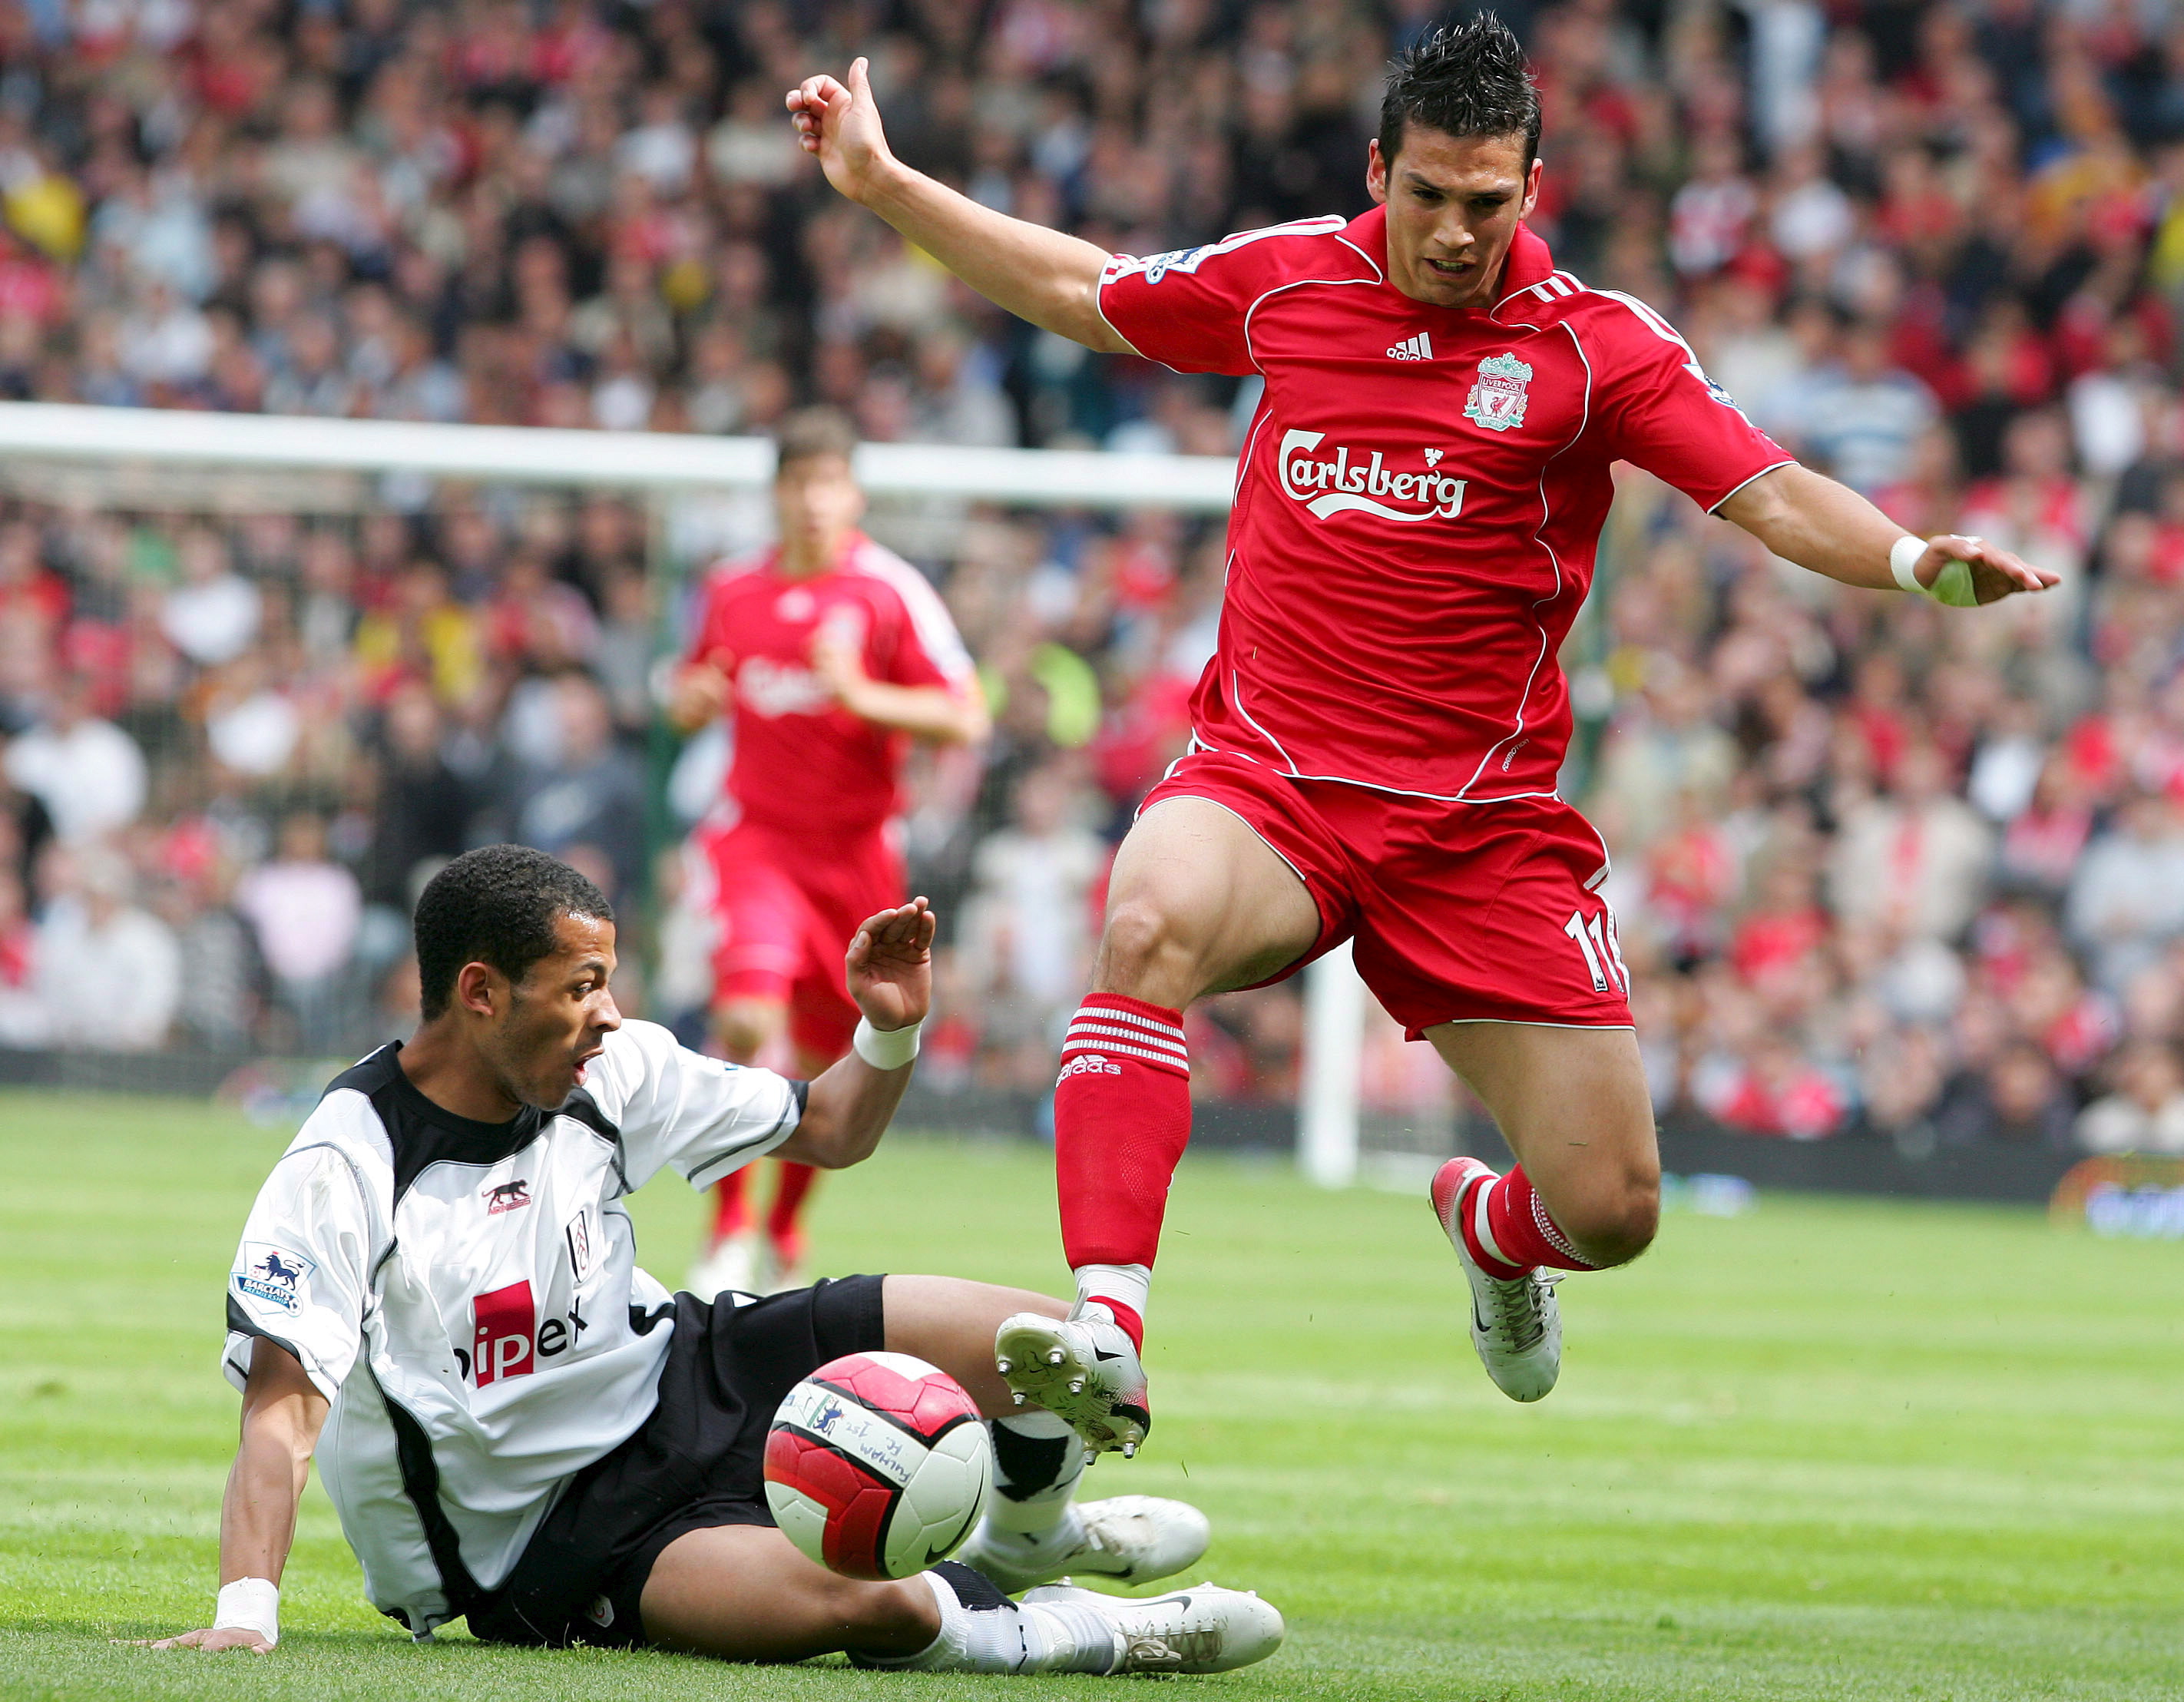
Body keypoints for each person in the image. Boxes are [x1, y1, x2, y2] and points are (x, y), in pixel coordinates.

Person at [785, 15, 2059, 1457]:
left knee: (1611, 1207)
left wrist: (1906, 561)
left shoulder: (1596, 346)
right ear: (1377, 169)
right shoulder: (1287, 282)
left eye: (1485, 203)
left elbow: (1764, 491)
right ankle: (1107, 1331)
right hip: (1267, 787)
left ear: (1530, 189)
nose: (1451, 233)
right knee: (1141, 923)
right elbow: (1086, 287)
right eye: (1426, 197)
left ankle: (1490, 1227)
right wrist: (886, 186)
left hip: (1476, 829)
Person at [152, 844, 1279, 1675]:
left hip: (693, 1368)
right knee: (873, 1609)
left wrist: (886, 1029)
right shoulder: (347, 1159)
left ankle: (1031, 1538)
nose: (609, 1015)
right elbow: (283, 1414)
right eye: (581, 987)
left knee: (1044, 1345)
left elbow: (832, 1128)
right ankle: (1102, 1634)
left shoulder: (614, 1069)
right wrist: (247, 1607)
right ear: (480, 992)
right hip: (551, 1536)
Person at [669, 407, 988, 1299]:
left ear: (852, 493)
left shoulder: (889, 591)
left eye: (828, 483)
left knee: (821, 1048)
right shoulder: (733, 589)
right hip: (759, 840)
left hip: (856, 854)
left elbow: (967, 714)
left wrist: (860, 693)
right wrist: (689, 700)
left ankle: (780, 1226)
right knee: (743, 1016)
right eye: (798, 483)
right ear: (776, 493)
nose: (813, 501)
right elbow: (697, 684)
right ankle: (728, 1224)